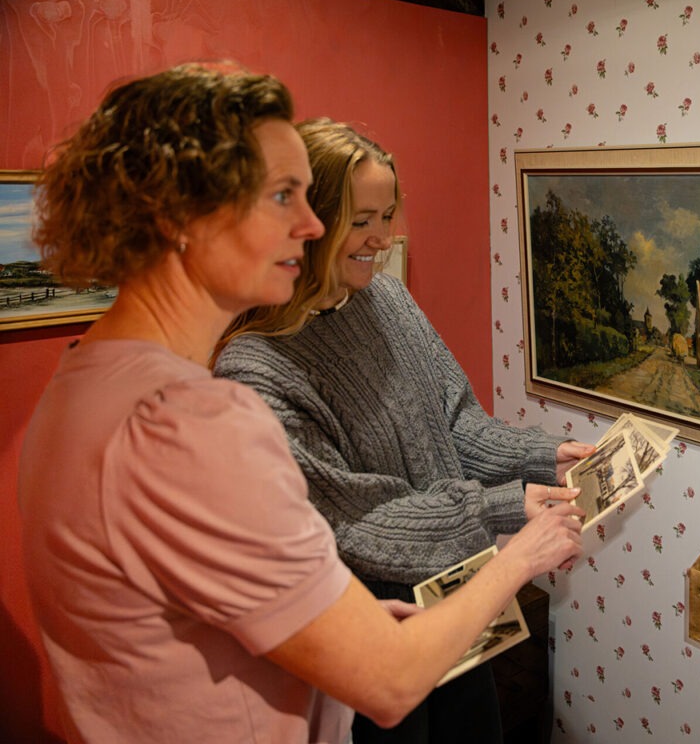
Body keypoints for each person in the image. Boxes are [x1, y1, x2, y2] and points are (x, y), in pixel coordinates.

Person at [18, 64, 584, 744]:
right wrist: (521, 557)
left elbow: (244, 622)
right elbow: (390, 680)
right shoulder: (190, 422)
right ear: (181, 216)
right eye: (283, 196)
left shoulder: (81, 380)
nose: (312, 224)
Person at [213, 118, 592, 744]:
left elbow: (456, 424)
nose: (382, 238)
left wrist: (544, 456)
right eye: (362, 220)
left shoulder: (388, 299)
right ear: (310, 219)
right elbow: (355, 524)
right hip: (368, 636)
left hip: (455, 602)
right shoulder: (256, 368)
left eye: (387, 215)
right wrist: (501, 507)